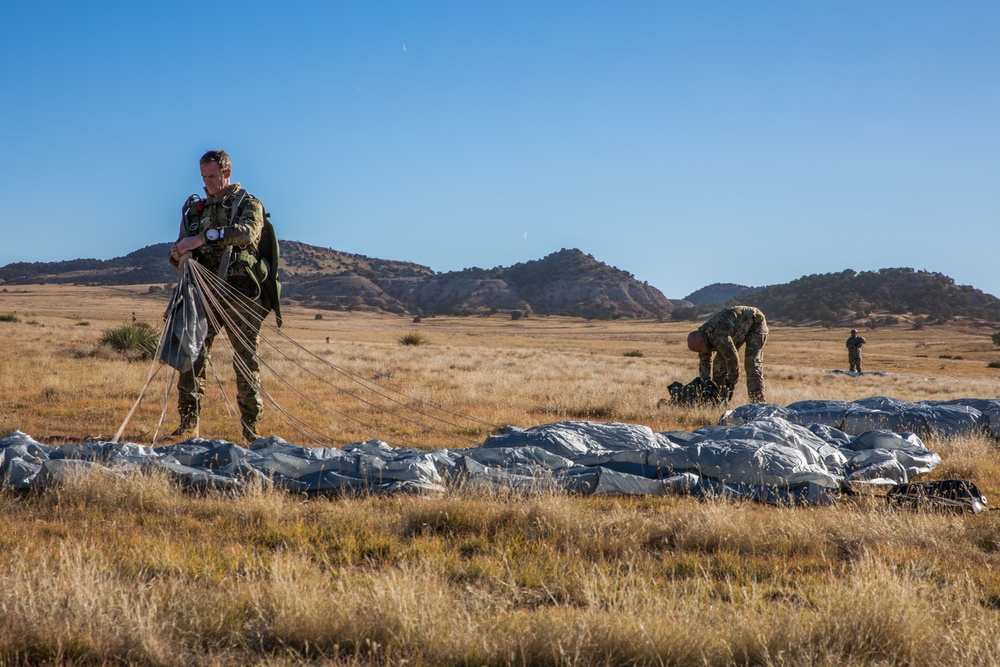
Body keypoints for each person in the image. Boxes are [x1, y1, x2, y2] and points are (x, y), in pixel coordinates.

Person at [169, 149, 268, 442]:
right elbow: (182, 252)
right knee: (191, 356)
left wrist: (204, 238)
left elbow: (248, 233)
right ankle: (188, 424)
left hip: (239, 292)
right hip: (204, 293)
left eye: (212, 176)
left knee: (244, 360)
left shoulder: (247, 204)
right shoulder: (197, 209)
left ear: (227, 172)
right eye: (203, 177)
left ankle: (251, 429)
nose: (207, 182)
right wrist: (179, 253)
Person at [686, 305, 768, 403]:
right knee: (719, 368)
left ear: (703, 342)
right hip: (734, 331)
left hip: (755, 323)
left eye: (700, 350)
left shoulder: (717, 335)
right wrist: (706, 385)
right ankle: (718, 402)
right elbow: (705, 362)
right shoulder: (702, 337)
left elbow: (732, 358)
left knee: (752, 364)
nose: (701, 353)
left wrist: (731, 383)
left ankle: (758, 403)